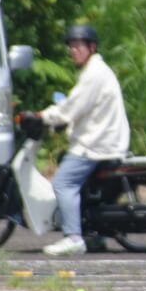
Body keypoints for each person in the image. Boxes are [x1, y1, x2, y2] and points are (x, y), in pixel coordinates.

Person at [36, 23, 131, 257]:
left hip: (96, 144)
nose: (73, 50)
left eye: (78, 46)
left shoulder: (94, 75)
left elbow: (71, 109)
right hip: (101, 140)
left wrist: (42, 116)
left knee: (63, 184)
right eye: (71, 46)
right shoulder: (94, 71)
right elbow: (76, 105)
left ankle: (73, 238)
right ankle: (92, 235)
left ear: (92, 47)